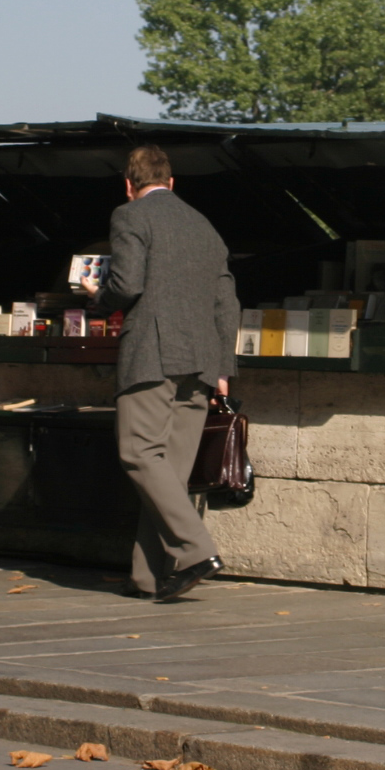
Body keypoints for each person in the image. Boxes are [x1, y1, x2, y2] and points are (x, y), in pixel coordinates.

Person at [82, 144, 239, 602]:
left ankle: (196, 550)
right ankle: (148, 577)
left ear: (128, 186)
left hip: (152, 353)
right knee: (167, 469)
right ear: (172, 184)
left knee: (138, 452)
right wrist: (224, 367)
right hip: (202, 362)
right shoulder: (204, 226)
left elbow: (128, 284)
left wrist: (98, 296)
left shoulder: (129, 216)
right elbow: (227, 301)